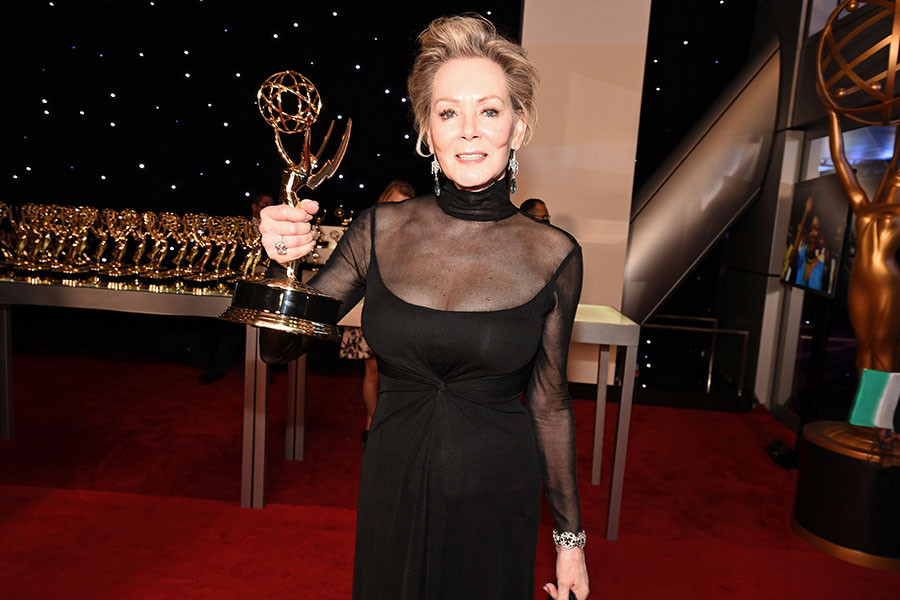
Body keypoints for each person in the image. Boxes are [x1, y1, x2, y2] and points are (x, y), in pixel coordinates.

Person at [258, 15, 589, 600]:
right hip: (394, 483)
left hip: (496, 493)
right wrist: (281, 262)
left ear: (519, 125)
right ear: (425, 132)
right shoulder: (379, 230)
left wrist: (571, 543)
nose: (469, 131)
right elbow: (277, 348)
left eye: (489, 110)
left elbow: (549, 400)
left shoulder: (554, 254)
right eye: (447, 112)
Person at [340, 180, 416, 447]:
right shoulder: (366, 232)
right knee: (371, 371)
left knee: (394, 377)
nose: (398, 211)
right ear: (383, 203)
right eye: (393, 204)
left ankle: (382, 426)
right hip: (365, 311)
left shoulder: (417, 237)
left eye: (404, 206)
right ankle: (372, 424)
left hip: (398, 318)